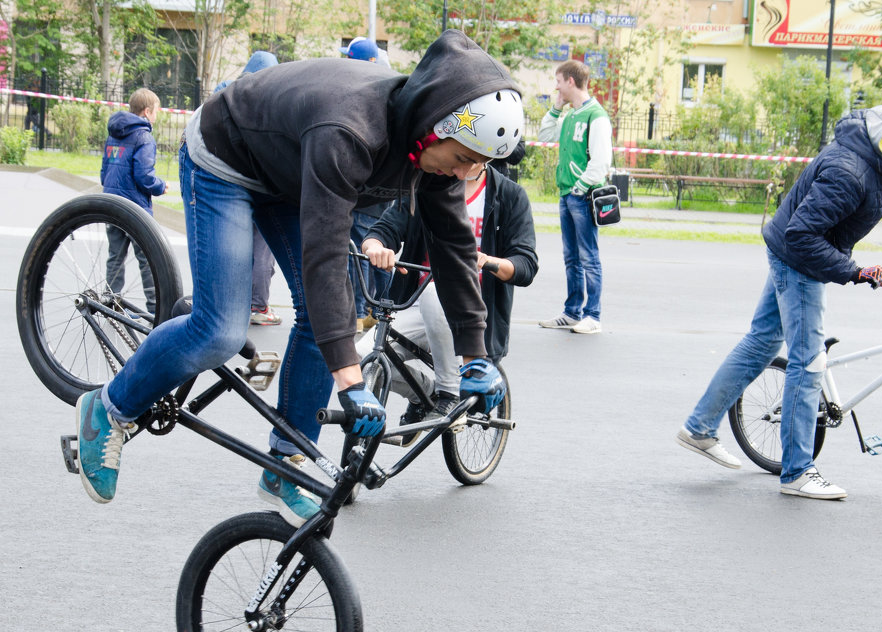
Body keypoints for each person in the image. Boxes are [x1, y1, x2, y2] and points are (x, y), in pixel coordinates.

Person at [74, 30, 520, 528]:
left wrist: (474, 356)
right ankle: (107, 410)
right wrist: (349, 382)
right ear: (433, 129)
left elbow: (455, 247)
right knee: (220, 330)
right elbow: (324, 255)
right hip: (227, 155)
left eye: (478, 166)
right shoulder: (351, 131)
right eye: (463, 158)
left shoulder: (435, 155)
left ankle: (287, 460)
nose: (466, 174)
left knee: (328, 318)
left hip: (290, 171)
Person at [676, 106, 882, 500]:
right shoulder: (850, 173)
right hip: (799, 258)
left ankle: (699, 428)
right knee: (808, 363)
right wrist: (853, 271)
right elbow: (802, 236)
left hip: (798, 249)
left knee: (762, 342)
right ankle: (797, 472)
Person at [360, 160, 538, 444]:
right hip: (417, 303)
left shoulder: (509, 195)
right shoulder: (427, 183)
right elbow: (385, 229)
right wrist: (375, 248)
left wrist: (487, 260)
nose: (459, 160)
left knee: (436, 292)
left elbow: (526, 265)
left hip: (475, 312)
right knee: (361, 359)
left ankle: (449, 393)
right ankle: (428, 392)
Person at [536, 60, 612, 335]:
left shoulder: (596, 116)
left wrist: (579, 188)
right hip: (567, 194)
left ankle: (593, 315)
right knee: (571, 257)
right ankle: (572, 312)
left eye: (558, 82)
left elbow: (601, 162)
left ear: (570, 81)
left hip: (582, 195)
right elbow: (544, 135)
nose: (556, 87)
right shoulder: (569, 116)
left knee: (588, 256)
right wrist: (556, 107)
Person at [213, 51, 284, 327]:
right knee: (261, 252)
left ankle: (228, 305)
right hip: (261, 187)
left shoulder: (226, 95)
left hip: (226, 185)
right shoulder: (271, 101)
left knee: (233, 249)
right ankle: (257, 306)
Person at [340, 35, 392, 333]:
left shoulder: (362, 93)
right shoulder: (387, 87)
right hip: (385, 192)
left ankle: (360, 311)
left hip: (366, 191)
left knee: (360, 253)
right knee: (380, 250)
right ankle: (382, 308)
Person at [101, 88, 169, 315]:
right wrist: (161, 186)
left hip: (111, 204)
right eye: (156, 111)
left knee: (115, 257)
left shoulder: (113, 134)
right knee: (147, 259)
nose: (156, 116)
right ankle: (155, 308)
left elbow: (104, 172)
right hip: (135, 208)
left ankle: (110, 302)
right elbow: (143, 176)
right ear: (148, 112)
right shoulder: (144, 137)